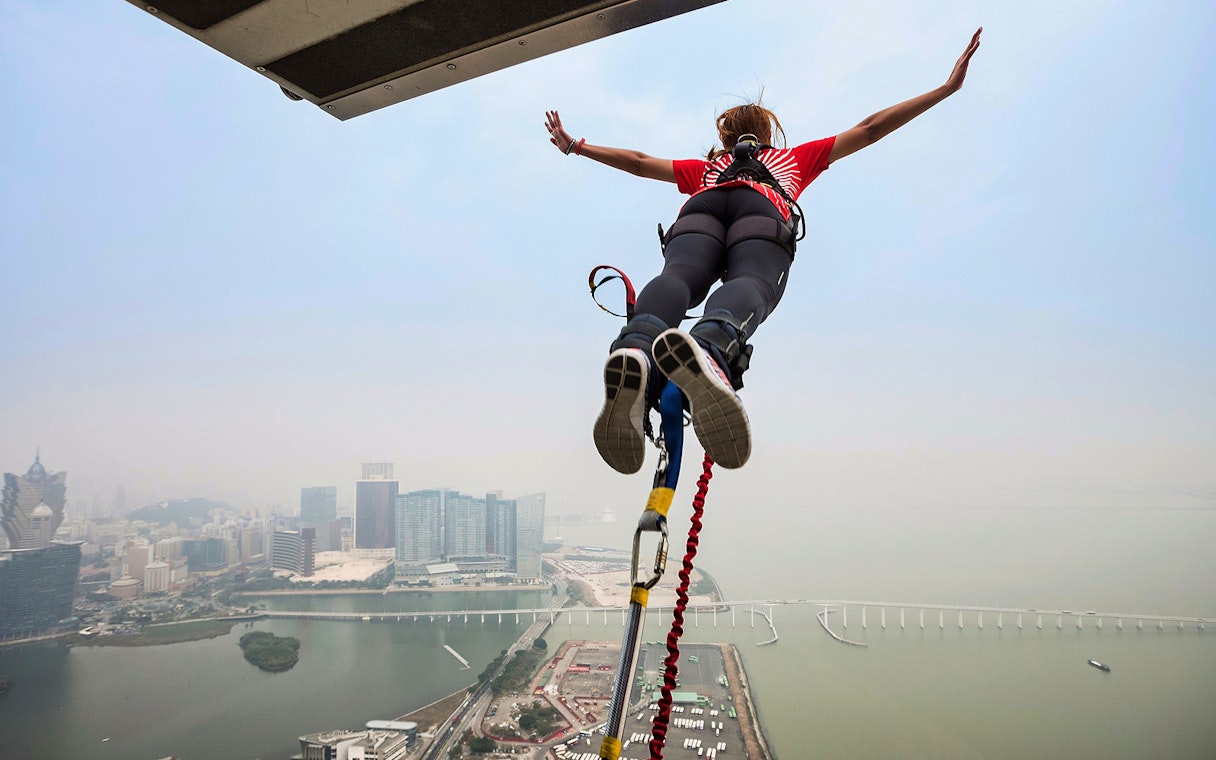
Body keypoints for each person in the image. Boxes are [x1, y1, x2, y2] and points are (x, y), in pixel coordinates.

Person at [546, 28, 982, 474]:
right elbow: (870, 129)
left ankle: (637, 347)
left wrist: (575, 145)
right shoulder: (795, 159)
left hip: (699, 211)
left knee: (678, 277)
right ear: (767, 132)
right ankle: (710, 349)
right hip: (763, 211)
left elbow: (639, 163)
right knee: (750, 282)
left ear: (727, 136)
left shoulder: (709, 167)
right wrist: (945, 89)